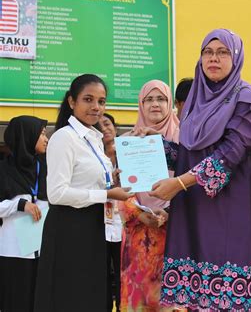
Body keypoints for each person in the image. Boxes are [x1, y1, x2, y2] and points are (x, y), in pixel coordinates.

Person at [150, 28, 251, 311]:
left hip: (230, 213)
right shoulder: (193, 104)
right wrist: (148, 148)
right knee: (195, 301)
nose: (214, 59)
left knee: (228, 298)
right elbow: (188, 155)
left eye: (223, 52)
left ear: (236, 57)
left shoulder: (247, 100)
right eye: (208, 52)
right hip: (193, 213)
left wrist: (178, 184)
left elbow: (229, 155)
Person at [34, 74, 132, 312]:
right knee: (70, 298)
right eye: (88, 99)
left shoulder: (95, 140)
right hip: (69, 229)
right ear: (71, 102)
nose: (96, 107)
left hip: (95, 228)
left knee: (92, 296)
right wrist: (106, 195)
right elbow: (57, 193)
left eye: (101, 101)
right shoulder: (64, 138)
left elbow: (92, 183)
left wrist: (112, 183)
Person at [118, 80, 179, 312]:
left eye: (161, 99)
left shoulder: (185, 140)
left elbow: (192, 184)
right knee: (140, 300)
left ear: (170, 104)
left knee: (173, 301)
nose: (155, 104)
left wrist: (169, 213)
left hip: (175, 233)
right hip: (138, 235)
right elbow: (118, 188)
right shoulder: (128, 140)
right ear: (140, 105)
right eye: (149, 99)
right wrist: (137, 213)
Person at [0, 116, 48, 312]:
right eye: (42, 134)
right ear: (26, 136)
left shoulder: (47, 168)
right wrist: (19, 205)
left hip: (43, 251)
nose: (46, 139)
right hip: (13, 252)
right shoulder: (3, 170)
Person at [100, 113, 122, 312]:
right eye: (99, 125)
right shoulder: (95, 158)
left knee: (124, 271)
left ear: (115, 128)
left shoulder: (128, 154)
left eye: (107, 123)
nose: (104, 128)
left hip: (125, 222)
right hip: (100, 224)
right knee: (102, 272)